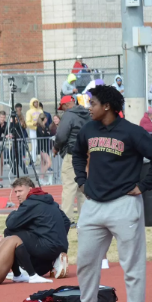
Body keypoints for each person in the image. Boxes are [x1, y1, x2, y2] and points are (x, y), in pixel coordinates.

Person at [69, 85, 152, 302]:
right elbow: (77, 154)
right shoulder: (88, 129)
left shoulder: (132, 132)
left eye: (93, 104)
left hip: (124, 204)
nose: (89, 108)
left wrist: (144, 185)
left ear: (107, 106)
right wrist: (81, 181)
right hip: (93, 205)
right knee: (86, 261)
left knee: (131, 264)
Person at [4, 177, 70, 279]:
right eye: (15, 192)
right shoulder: (49, 201)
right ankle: (53, 261)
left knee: (9, 232)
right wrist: (58, 237)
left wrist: (13, 212)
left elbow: (11, 224)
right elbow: (66, 221)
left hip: (47, 247)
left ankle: (23, 271)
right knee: (32, 240)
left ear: (30, 189)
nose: (17, 195)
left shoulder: (29, 203)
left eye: (20, 191)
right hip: (62, 246)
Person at [54, 95, 89, 225]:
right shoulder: (87, 113)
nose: (62, 110)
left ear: (66, 105)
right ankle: (85, 218)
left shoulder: (69, 115)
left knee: (69, 187)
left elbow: (61, 136)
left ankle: (67, 218)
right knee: (82, 187)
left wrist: (56, 148)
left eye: (62, 107)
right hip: (86, 154)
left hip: (72, 154)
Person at [36, 113, 53, 184]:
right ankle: (40, 177)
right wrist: (46, 132)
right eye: (46, 119)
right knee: (49, 163)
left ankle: (41, 178)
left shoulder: (45, 126)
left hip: (46, 146)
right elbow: (44, 134)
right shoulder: (39, 127)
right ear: (44, 119)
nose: (47, 120)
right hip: (42, 147)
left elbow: (49, 133)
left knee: (43, 163)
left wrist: (46, 132)